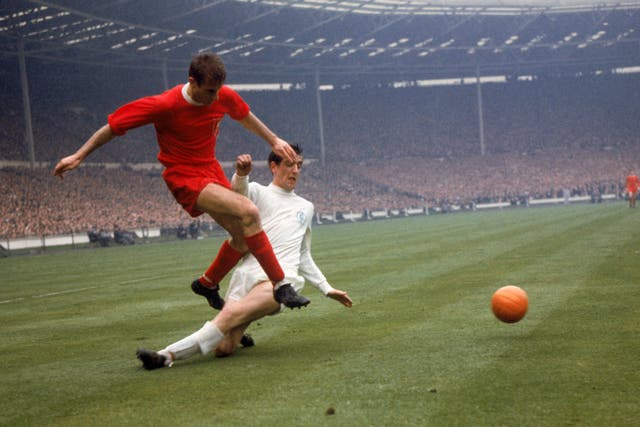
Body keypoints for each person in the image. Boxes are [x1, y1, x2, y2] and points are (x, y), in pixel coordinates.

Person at [53, 52, 308, 308]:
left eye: (218, 90)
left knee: (242, 238)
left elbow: (244, 116)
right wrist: (79, 155)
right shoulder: (165, 105)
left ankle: (207, 283)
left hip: (211, 169)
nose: (216, 97)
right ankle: (281, 285)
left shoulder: (222, 95)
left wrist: (274, 140)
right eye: (210, 91)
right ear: (192, 82)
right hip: (183, 175)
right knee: (250, 212)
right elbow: (113, 126)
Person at [136, 145, 353, 369]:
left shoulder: (306, 207)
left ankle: (166, 356)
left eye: (299, 165)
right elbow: (236, 198)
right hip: (245, 275)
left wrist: (326, 288)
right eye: (289, 164)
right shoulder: (258, 191)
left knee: (230, 313)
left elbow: (303, 254)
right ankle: (236, 331)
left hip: (278, 281)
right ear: (273, 166)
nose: (295, 170)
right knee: (224, 348)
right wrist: (241, 174)